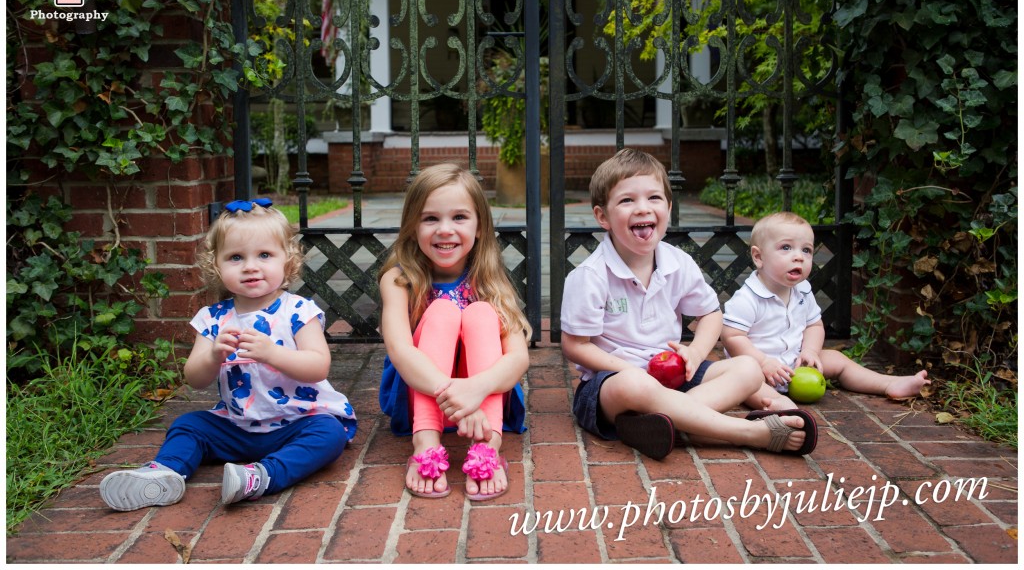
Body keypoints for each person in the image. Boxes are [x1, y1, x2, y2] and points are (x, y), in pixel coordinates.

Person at [100, 198, 356, 511]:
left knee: (328, 433)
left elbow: (318, 366)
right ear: (216, 266)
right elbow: (194, 378)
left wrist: (272, 353)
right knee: (188, 425)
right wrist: (213, 357)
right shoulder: (213, 318)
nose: (250, 266)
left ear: (286, 261)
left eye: (264, 255)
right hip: (237, 426)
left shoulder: (298, 311)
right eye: (236, 257)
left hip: (296, 421)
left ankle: (260, 477)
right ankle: (165, 473)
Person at [560, 148, 817, 460]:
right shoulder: (590, 275)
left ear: (668, 208)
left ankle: (663, 423)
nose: (643, 208)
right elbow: (576, 345)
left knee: (749, 369)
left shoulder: (677, 262)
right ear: (603, 216)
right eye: (627, 200)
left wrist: (695, 353)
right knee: (635, 385)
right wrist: (631, 369)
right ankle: (747, 432)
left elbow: (710, 314)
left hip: (676, 375)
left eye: (654, 198)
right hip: (613, 384)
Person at [378, 164, 530, 501]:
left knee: (480, 313)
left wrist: (476, 389)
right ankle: (427, 443)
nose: (445, 230)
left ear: (479, 227)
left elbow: (518, 357)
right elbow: (400, 350)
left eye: (459, 217)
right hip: (422, 396)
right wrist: (456, 396)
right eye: (430, 219)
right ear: (412, 227)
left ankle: (487, 445)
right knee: (443, 311)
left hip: (483, 397)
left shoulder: (489, 281)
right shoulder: (399, 280)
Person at [722, 211, 931, 410]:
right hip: (757, 368)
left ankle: (887, 383)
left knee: (836, 360)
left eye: (806, 250)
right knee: (745, 384)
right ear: (759, 257)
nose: (799, 257)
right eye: (786, 247)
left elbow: (814, 325)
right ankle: (779, 404)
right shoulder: (748, 298)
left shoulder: (802, 291)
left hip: (795, 363)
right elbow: (732, 337)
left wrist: (810, 351)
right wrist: (763, 362)